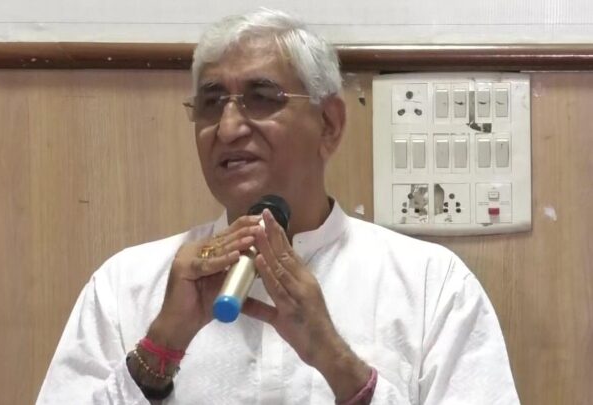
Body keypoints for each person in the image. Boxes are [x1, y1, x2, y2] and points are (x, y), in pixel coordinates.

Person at [36, 8, 520, 405]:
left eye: (262, 98)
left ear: (329, 124)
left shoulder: (431, 285)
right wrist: (160, 348)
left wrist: (338, 364)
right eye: (211, 103)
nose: (228, 128)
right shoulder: (127, 284)